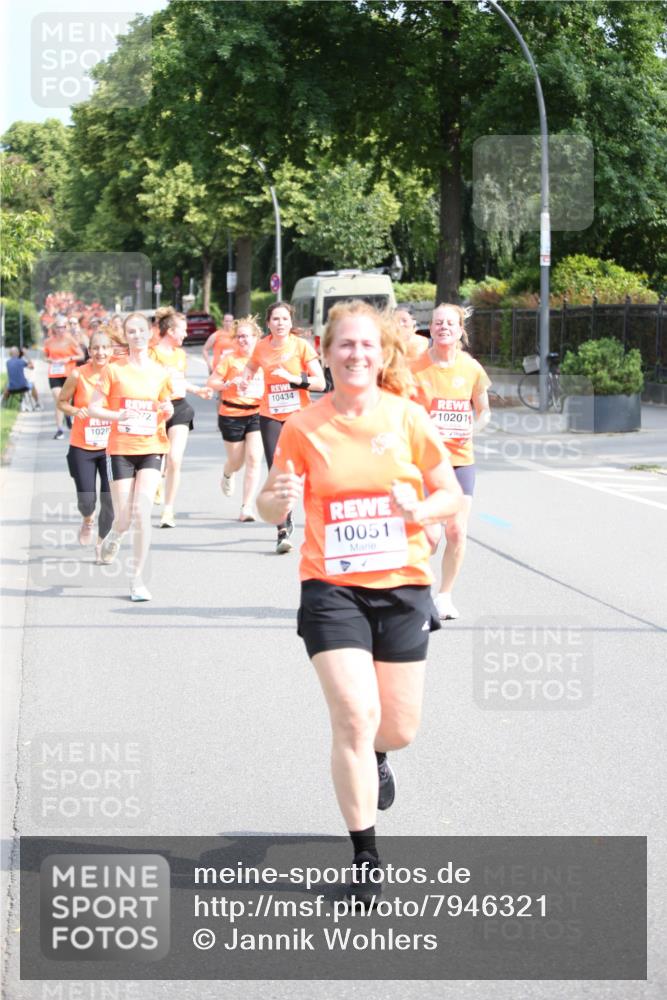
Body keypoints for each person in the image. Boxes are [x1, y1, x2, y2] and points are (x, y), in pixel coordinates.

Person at [257, 300, 462, 900]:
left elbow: (448, 494)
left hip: (402, 587)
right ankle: (366, 853)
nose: (356, 354)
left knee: (396, 727)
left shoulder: (407, 419)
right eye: (344, 345)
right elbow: (271, 510)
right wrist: (277, 496)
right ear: (324, 353)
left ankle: (379, 758)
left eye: (366, 345)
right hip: (332, 588)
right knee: (353, 714)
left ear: (382, 354)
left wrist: (418, 510)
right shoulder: (302, 427)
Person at [410, 303, 491, 620]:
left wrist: (472, 427)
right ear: (430, 328)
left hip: (460, 460)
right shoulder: (414, 367)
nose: (443, 327)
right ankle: (413, 585)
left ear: (460, 331)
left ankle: (444, 596)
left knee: (457, 531)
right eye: (437, 322)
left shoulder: (471, 368)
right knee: (430, 537)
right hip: (424, 463)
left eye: (450, 323)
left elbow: (483, 410)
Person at [87, 312, 174, 602]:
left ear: (150, 333)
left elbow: (166, 405)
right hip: (121, 449)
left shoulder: (161, 371)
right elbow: (94, 407)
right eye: (131, 331)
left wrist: (168, 411)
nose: (137, 335)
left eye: (141, 330)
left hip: (151, 446)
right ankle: (114, 534)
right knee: (124, 517)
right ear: (126, 336)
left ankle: (137, 579)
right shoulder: (114, 370)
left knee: (142, 513)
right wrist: (117, 414)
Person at [239, 301, 326, 553]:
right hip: (270, 416)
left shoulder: (300, 346)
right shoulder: (261, 347)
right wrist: (244, 382)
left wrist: (294, 380)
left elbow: (320, 383)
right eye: (275, 319)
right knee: (277, 473)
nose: (280, 323)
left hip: (298, 418)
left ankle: (315, 520)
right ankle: (282, 527)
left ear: (291, 322)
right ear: (268, 323)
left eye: (284, 319)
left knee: (301, 473)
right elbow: (250, 369)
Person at [149, 307, 212, 528]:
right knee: (155, 461)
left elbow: (179, 381)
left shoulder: (180, 355)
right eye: (183, 331)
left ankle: (168, 510)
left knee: (175, 459)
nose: (186, 335)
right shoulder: (153, 353)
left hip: (179, 407)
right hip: (156, 409)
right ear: (170, 331)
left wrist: (198, 390)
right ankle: (156, 482)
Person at [56, 330, 114, 562]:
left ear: (111, 351)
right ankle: (88, 519)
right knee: (87, 500)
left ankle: (101, 545)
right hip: (82, 446)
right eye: (96, 348)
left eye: (104, 348)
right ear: (89, 351)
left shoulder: (117, 374)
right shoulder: (78, 375)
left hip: (111, 447)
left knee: (109, 498)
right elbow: (62, 402)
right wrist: (74, 410)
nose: (100, 352)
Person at [206, 317, 265, 521]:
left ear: (256, 337)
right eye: (239, 337)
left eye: (246, 336)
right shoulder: (230, 360)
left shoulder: (264, 360)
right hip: (232, 414)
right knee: (236, 461)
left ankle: (246, 507)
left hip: (257, 413)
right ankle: (227, 473)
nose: (242, 340)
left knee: (254, 459)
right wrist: (228, 383)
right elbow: (212, 381)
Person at [43, 316, 84, 438]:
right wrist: (50, 360)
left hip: (68, 373)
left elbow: (81, 355)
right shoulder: (48, 341)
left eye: (63, 327)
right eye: (59, 327)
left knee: (67, 400)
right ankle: (59, 429)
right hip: (54, 373)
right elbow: (45, 356)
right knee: (58, 398)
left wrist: (68, 358)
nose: (61, 329)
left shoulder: (70, 340)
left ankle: (68, 413)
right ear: (54, 328)